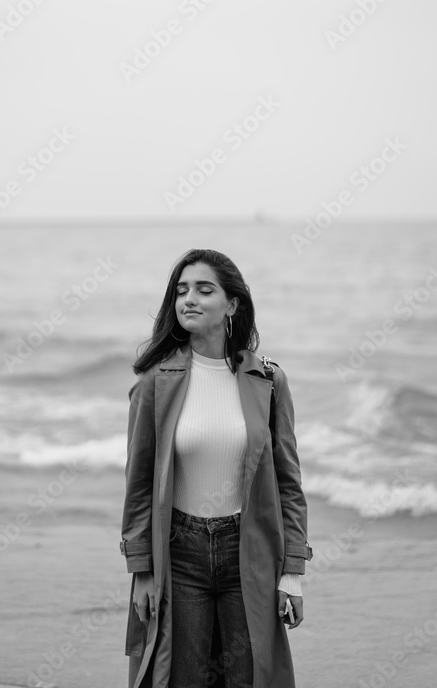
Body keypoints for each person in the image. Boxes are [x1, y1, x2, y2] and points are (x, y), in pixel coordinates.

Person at [119, 248, 313, 688]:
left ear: (232, 304)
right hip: (179, 555)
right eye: (181, 290)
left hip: (248, 551)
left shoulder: (268, 380)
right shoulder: (155, 382)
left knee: (248, 677)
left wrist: (293, 572)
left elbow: (289, 483)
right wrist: (141, 571)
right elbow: (139, 484)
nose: (189, 299)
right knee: (183, 677)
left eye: (204, 290)